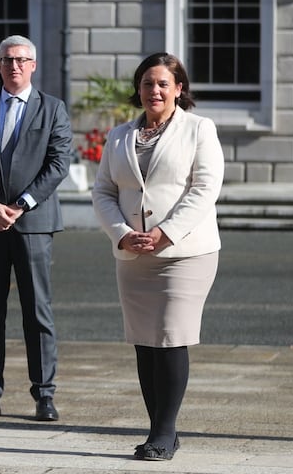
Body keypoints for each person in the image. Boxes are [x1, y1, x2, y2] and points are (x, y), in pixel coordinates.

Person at [91, 52, 223, 461]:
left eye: (164, 83)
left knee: (170, 337)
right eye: (148, 84)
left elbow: (205, 188)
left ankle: (164, 431)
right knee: (145, 343)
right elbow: (103, 192)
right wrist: (123, 234)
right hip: (134, 255)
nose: (155, 91)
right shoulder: (118, 136)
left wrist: (166, 233)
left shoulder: (199, 129)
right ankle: (158, 429)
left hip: (185, 253)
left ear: (179, 89)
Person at [0, 34, 72, 422]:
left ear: (33, 65)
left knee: (37, 311)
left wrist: (21, 205)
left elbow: (58, 164)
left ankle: (44, 395)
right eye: (7, 60)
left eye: (22, 59)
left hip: (33, 225)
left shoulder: (52, 109)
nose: (14, 66)